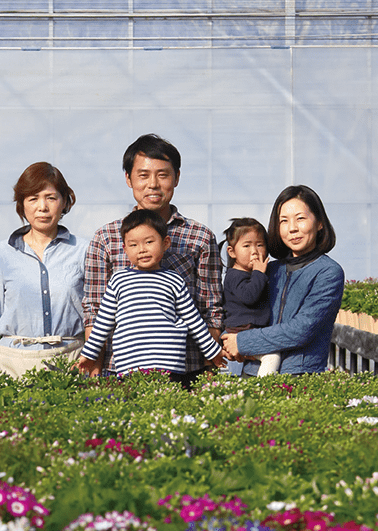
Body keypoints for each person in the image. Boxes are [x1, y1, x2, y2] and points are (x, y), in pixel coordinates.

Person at [83, 133, 224, 385]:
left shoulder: (200, 237)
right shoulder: (106, 237)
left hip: (186, 367)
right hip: (122, 368)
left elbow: (210, 307)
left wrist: (209, 366)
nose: (153, 184)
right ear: (128, 178)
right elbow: (95, 311)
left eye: (163, 174)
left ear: (177, 177)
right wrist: (94, 361)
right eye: (143, 175)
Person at [78, 210, 224, 379]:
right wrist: (89, 355)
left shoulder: (174, 280)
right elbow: (102, 323)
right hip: (129, 367)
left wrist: (212, 351)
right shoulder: (118, 281)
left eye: (149, 242)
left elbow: (194, 321)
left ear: (165, 243)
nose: (142, 250)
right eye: (133, 245)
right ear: (124, 249)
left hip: (169, 366)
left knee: (168, 404)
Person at [0, 162, 87, 377]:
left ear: (64, 201)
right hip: (13, 364)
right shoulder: (3, 253)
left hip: (70, 361)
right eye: (33, 198)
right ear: (22, 205)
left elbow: (97, 315)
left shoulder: (82, 250)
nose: (42, 207)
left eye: (51, 198)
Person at [222, 185, 344, 375]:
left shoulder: (328, 272)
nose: (293, 228)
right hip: (252, 371)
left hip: (299, 375)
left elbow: (301, 329)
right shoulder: (270, 270)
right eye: (284, 221)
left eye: (300, 219)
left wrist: (242, 341)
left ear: (320, 223)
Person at [221, 218, 280, 376]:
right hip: (239, 334)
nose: (254, 251)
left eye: (260, 245)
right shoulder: (234, 276)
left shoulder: (252, 274)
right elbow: (249, 296)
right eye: (246, 245)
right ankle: (263, 390)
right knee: (272, 357)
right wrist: (259, 273)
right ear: (232, 252)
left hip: (247, 333)